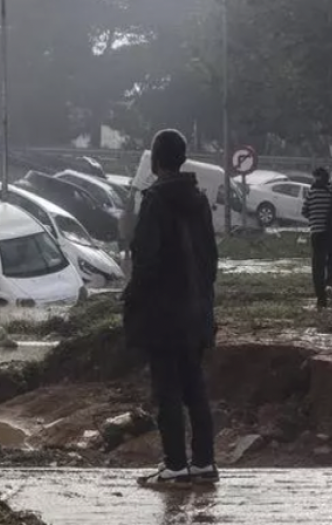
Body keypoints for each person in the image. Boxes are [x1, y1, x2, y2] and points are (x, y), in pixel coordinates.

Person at [123, 128, 219, 486]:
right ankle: (205, 463)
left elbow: (145, 259)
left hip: (163, 313)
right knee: (195, 386)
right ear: (182, 159)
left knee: (167, 391)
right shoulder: (199, 200)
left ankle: (175, 466)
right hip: (197, 310)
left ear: (155, 160)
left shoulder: (156, 201)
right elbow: (211, 258)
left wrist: (133, 299)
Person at [302, 167, 332, 309]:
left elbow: (304, 211)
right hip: (331, 232)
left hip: (316, 233)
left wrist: (314, 218)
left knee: (317, 267)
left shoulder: (311, 192)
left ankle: (321, 300)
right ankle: (330, 283)